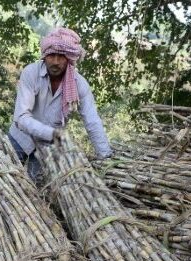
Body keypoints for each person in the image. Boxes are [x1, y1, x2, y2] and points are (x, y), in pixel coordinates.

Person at [7, 27, 113, 181]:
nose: (55, 62)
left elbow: (92, 121)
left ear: (69, 59)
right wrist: (53, 134)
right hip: (20, 138)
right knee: (5, 177)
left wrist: (105, 157)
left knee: (33, 188)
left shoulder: (79, 85)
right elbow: (21, 117)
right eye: (51, 56)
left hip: (46, 149)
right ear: (45, 55)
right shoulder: (31, 73)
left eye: (61, 57)